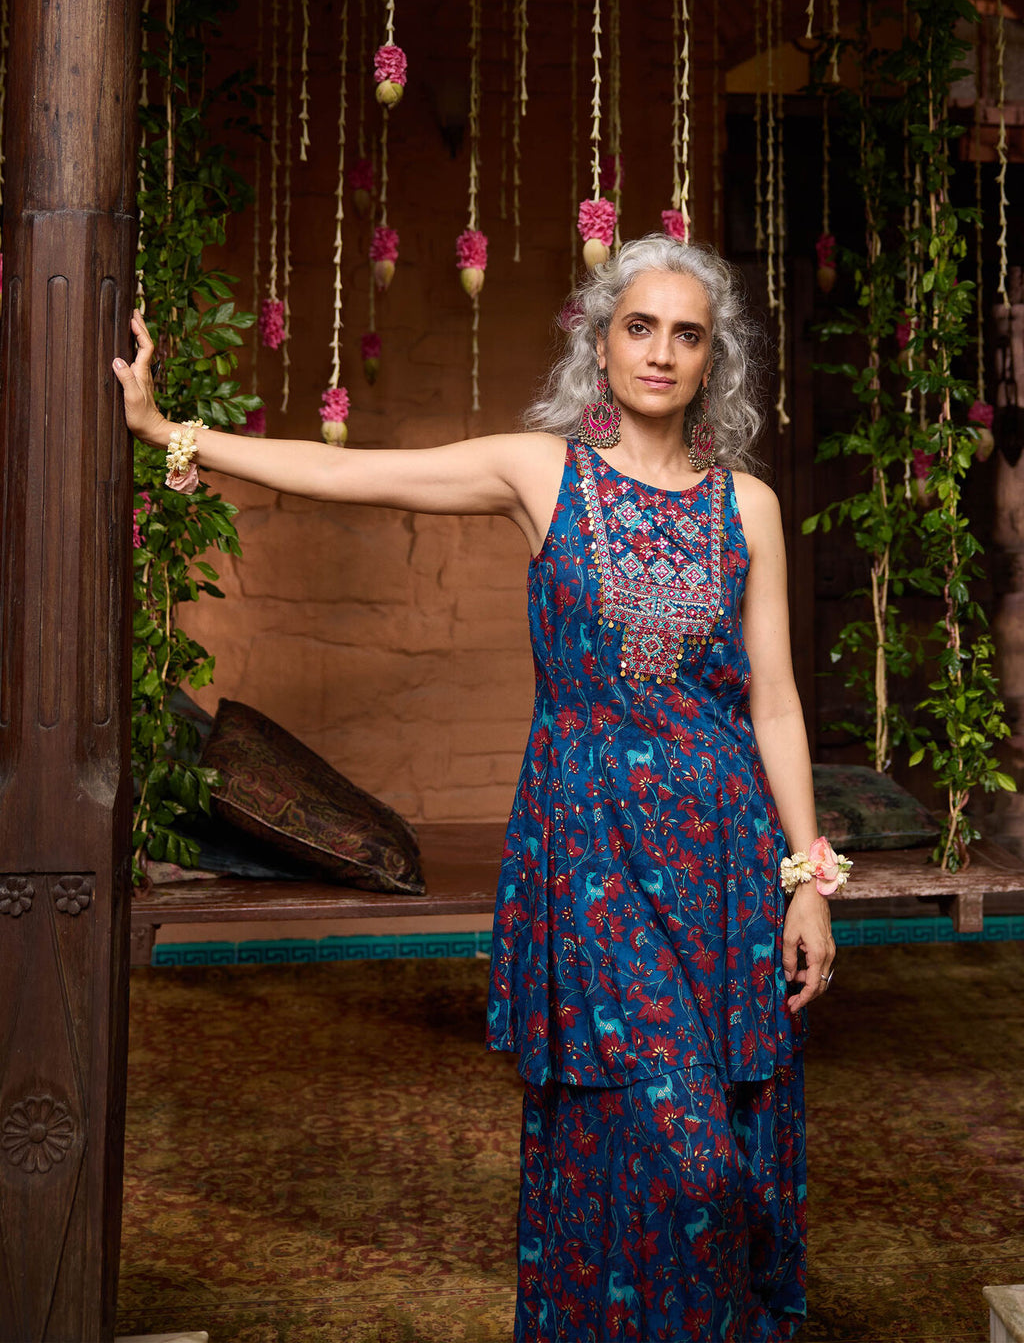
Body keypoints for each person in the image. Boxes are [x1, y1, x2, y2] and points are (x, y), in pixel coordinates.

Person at [115, 232, 838, 1342]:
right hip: (590, 852)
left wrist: (804, 879)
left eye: (686, 335)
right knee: (672, 1144)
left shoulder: (748, 508)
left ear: (712, 362)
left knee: (728, 1143)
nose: (660, 352)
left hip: (725, 858)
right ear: (599, 347)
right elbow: (357, 475)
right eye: (638, 327)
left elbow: (775, 703)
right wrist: (178, 435)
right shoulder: (540, 472)